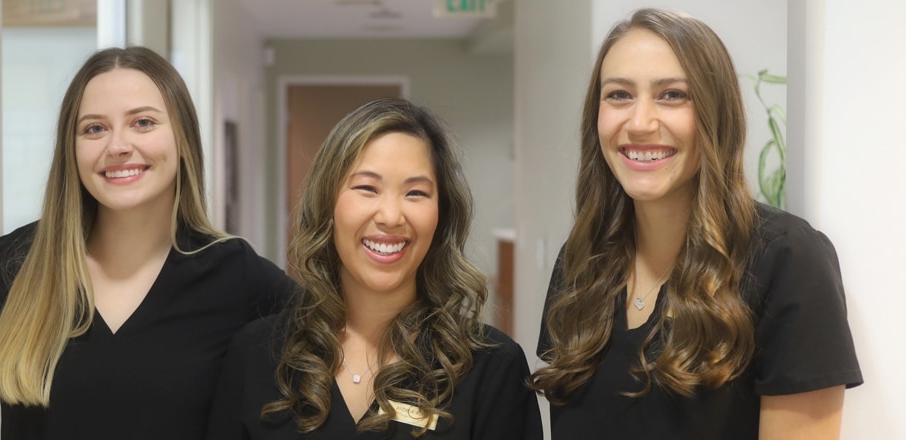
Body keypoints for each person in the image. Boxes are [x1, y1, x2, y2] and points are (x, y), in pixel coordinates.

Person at [529, 8, 862, 440]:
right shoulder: (581, 264)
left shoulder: (787, 260)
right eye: (618, 95)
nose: (641, 122)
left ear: (715, 113)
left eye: (672, 95)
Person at [0, 46, 294, 439]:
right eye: (94, 128)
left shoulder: (237, 276)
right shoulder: (7, 266)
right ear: (71, 149)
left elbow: (341, 349)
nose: (117, 146)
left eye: (142, 122)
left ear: (183, 138)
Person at [207, 97, 543, 439]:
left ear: (441, 215)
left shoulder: (492, 367)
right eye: (367, 188)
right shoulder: (256, 356)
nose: (391, 216)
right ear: (328, 205)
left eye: (415, 193)